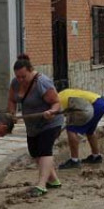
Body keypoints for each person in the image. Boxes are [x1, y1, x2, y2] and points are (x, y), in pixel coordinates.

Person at [6, 54, 62, 197]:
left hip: (50, 123)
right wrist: (11, 114)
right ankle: (53, 180)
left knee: (44, 150)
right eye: (18, 76)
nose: (20, 80)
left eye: (23, 76)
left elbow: (56, 102)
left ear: (31, 70)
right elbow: (12, 100)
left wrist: (51, 111)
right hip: (32, 125)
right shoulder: (15, 83)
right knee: (35, 152)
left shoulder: (42, 83)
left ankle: (41, 185)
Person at [57, 88, 104, 169]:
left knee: (71, 129)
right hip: (101, 102)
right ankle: (96, 156)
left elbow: (60, 119)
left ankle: (74, 161)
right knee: (90, 131)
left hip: (93, 105)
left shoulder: (59, 101)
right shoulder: (63, 93)